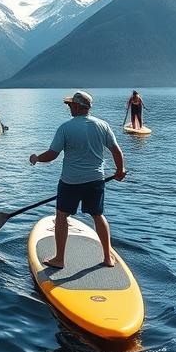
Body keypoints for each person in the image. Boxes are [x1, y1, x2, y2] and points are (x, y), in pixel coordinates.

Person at [29, 91, 126, 268]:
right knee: (98, 215)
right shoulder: (102, 125)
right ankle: (107, 257)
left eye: (70, 105)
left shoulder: (65, 128)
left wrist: (36, 158)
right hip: (96, 180)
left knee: (61, 216)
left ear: (77, 106)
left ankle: (59, 259)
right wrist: (120, 171)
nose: (68, 108)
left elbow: (52, 155)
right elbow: (116, 152)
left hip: (70, 182)